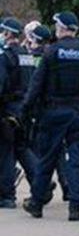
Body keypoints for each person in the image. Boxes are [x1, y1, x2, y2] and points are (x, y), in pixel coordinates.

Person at [20, 13, 79, 221]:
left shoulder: (51, 52)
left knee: (47, 159)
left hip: (52, 113)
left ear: (62, 28)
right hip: (77, 114)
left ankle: (37, 203)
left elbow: (36, 86)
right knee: (76, 159)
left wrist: (26, 111)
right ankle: (75, 205)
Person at [1, 18, 41, 208]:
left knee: (6, 153)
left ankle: (6, 195)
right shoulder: (27, 55)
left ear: (8, 34)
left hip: (8, 109)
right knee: (23, 149)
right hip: (25, 108)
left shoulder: (5, 56)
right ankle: (41, 184)